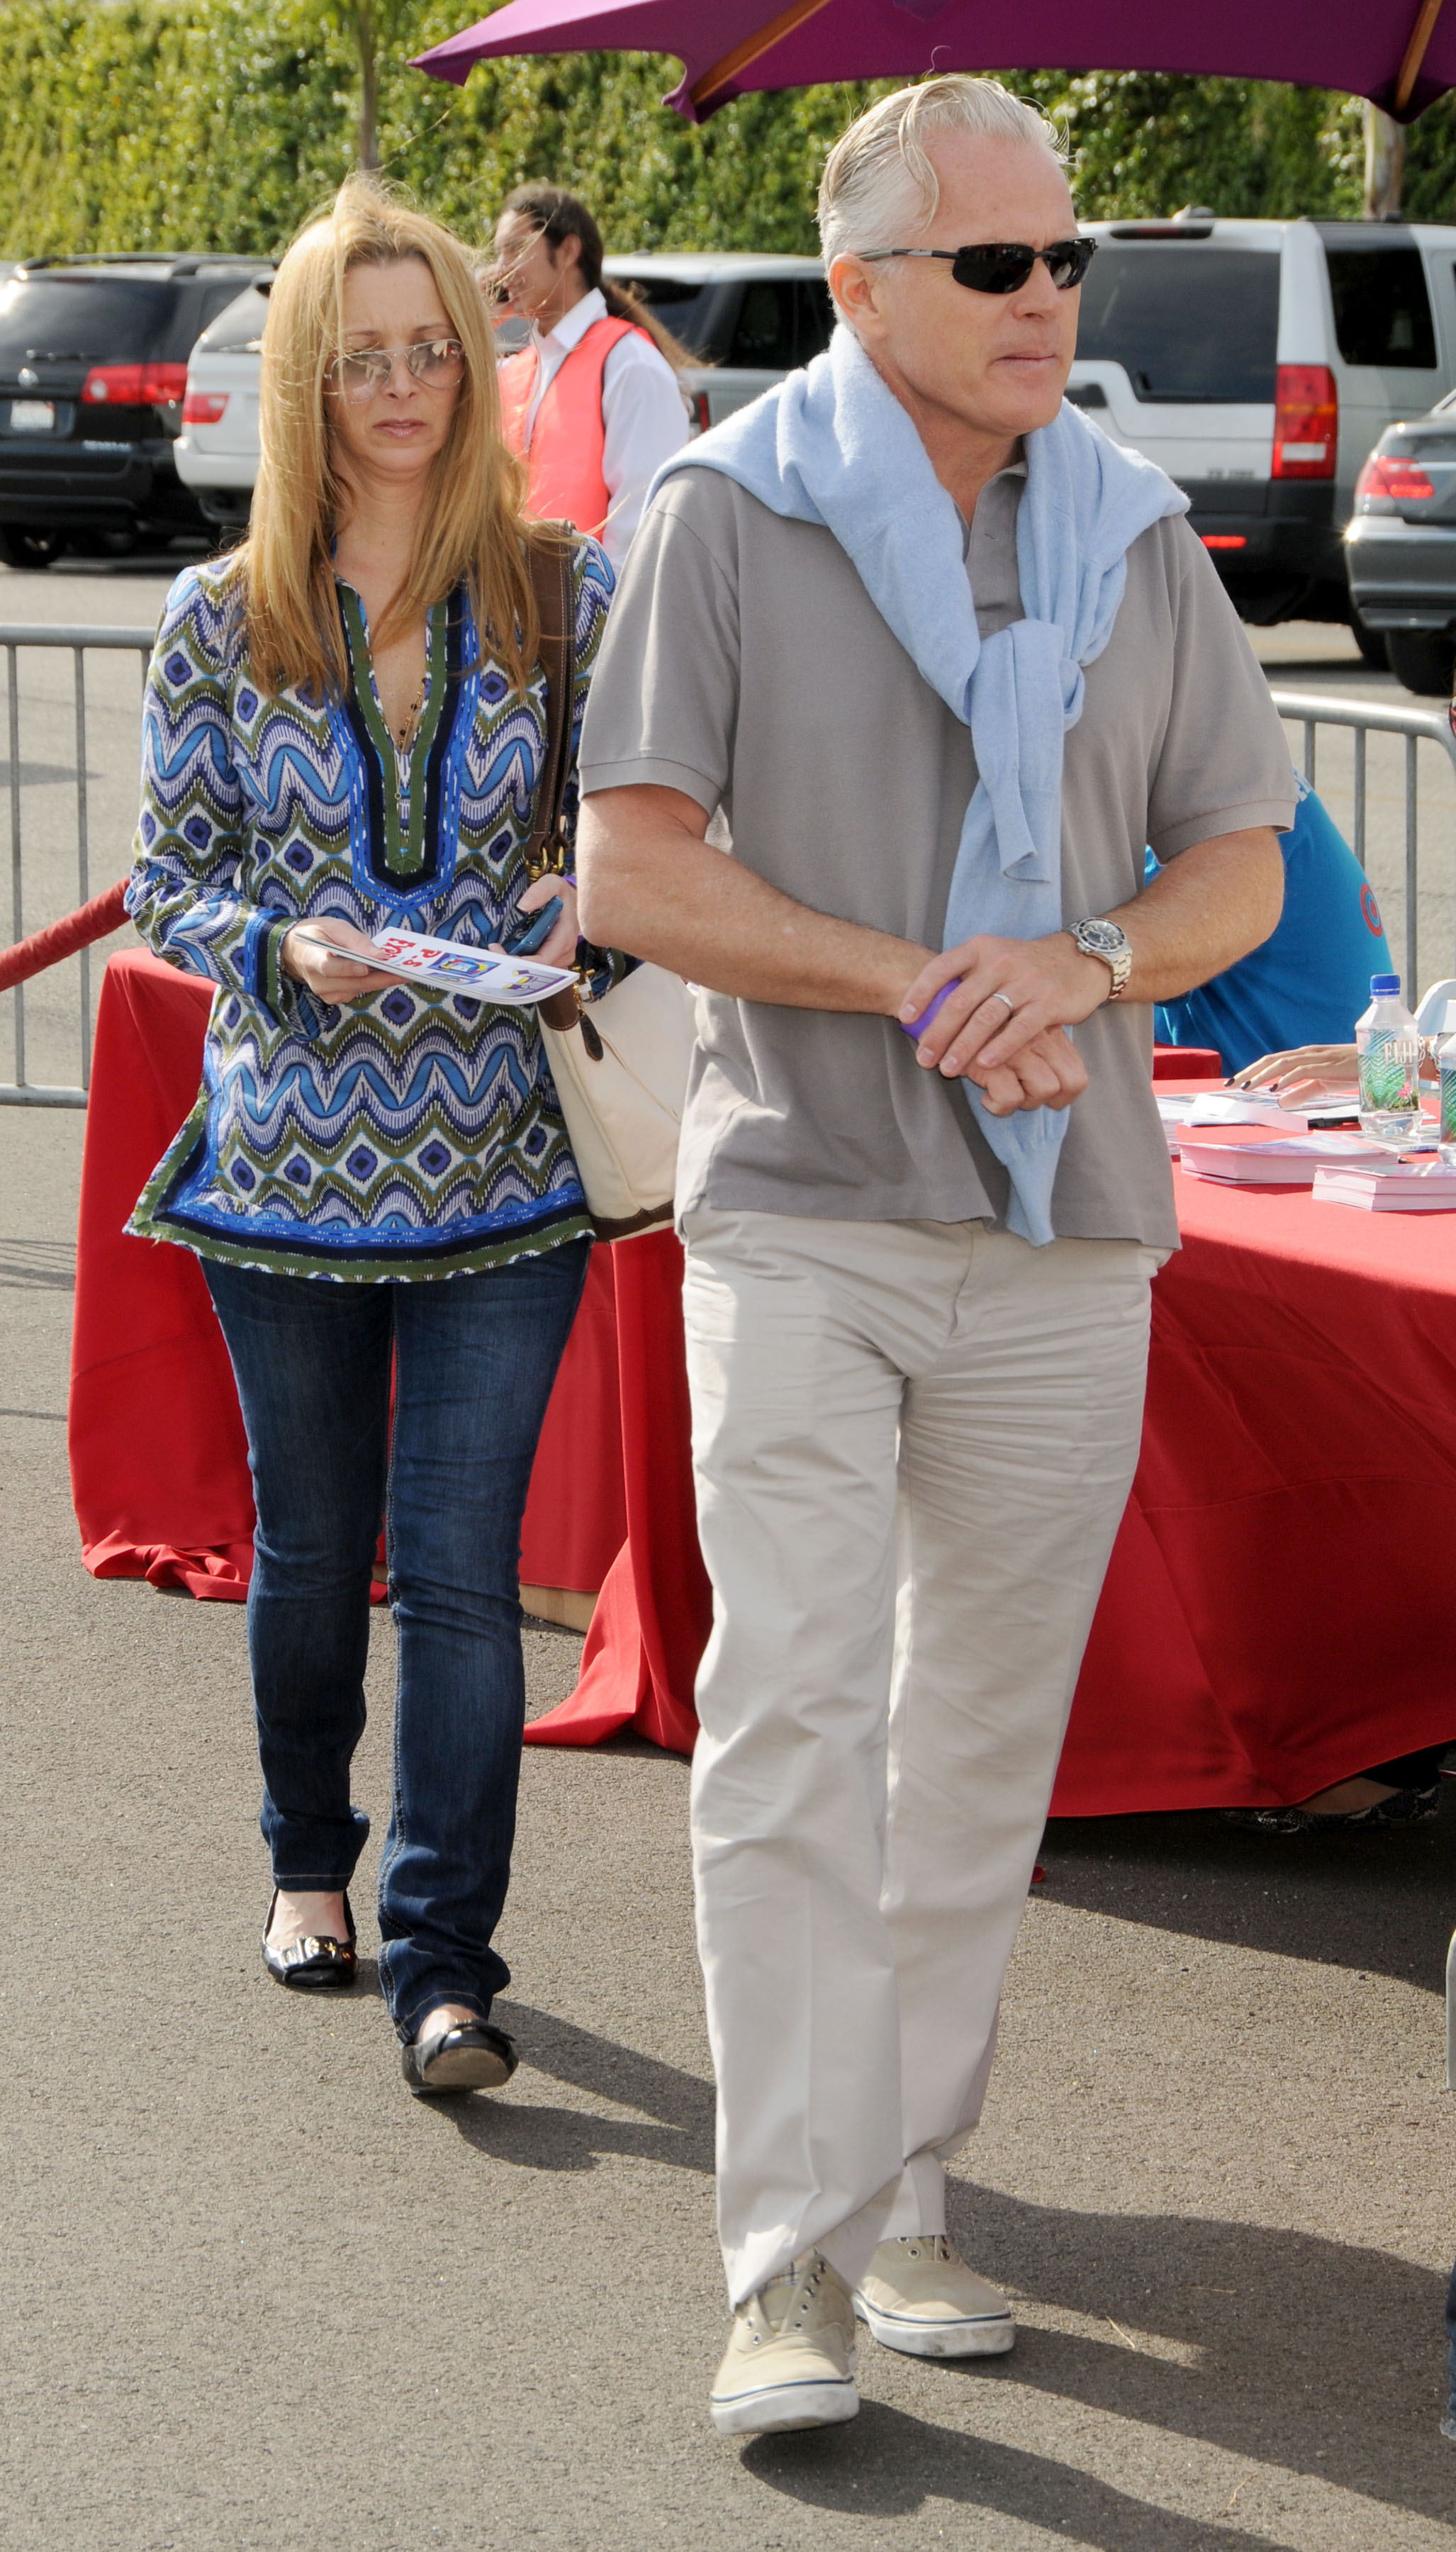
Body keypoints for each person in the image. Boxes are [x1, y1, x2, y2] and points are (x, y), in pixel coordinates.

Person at [576, 73, 1293, 2436]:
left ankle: (903, 2198)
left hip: (1070, 1230)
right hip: (797, 1208)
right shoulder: (721, 511)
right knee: (792, 1735)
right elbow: (634, 878)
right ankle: (773, 2266)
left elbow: (1242, 864)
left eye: (1063, 257)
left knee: (977, 1756)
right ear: (864, 283)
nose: (1046, 300)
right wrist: (909, 976)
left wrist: (1082, 960)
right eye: (994, 265)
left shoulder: (1136, 531)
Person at [124, 177, 615, 2097]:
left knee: (465, 1574)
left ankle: (445, 1966)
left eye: (433, 351)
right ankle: (303, 1862)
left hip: (504, 1170)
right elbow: (170, 880)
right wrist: (271, 943)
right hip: (284, 1174)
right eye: (364, 360)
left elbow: (644, 822)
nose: (403, 389)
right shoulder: (215, 616)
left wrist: (600, 896)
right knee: (315, 1556)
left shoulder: (562, 587)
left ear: (476, 363)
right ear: (308, 388)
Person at [488, 184, 690, 569]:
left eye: (514, 249)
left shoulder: (629, 364)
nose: (501, 271)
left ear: (567, 251)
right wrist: (477, 322)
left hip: (594, 620)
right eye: (499, 253)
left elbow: (640, 535)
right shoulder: (515, 371)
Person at [1150, 771, 1391, 1075]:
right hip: (1322, 1084)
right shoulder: (1250, 779)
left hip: (1293, 1101)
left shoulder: (1215, 800)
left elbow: (1126, 956)